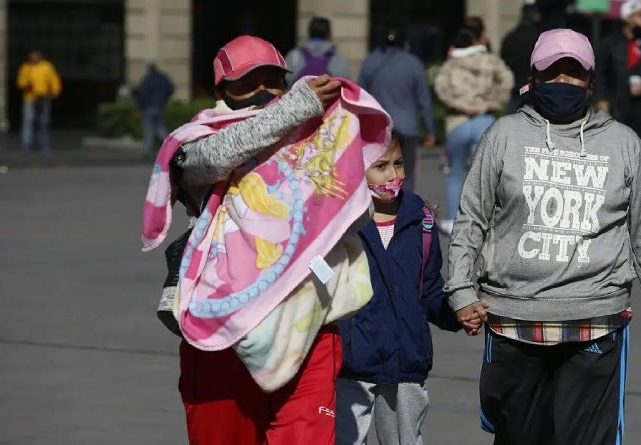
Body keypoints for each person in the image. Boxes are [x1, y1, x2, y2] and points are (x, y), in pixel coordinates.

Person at [445, 29, 641, 444]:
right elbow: (471, 219)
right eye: (553, 72)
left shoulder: (622, 144)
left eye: (574, 73)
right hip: (513, 322)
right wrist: (460, 290)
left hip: (595, 323)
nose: (564, 82)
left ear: (591, 82)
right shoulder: (504, 136)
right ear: (534, 77)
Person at [165, 35, 368, 445]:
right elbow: (213, 158)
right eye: (247, 82)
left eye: (272, 80)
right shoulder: (194, 139)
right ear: (221, 91)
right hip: (223, 328)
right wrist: (294, 108)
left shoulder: (318, 135)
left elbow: (353, 207)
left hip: (306, 322)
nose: (262, 92)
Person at [335, 130, 463, 445]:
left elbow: (429, 287)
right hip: (354, 364)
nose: (394, 174)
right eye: (382, 166)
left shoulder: (421, 218)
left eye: (399, 164)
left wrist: (456, 312)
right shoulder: (340, 223)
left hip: (407, 361)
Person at [434, 27, 513, 235]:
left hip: (458, 119)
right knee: (484, 175)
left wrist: (458, 104)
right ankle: (484, 220)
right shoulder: (489, 60)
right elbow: (507, 80)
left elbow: (440, 88)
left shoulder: (451, 64)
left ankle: (452, 220)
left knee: (455, 173)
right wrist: (495, 101)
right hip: (484, 118)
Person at [358, 27, 436, 192]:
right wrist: (430, 130)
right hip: (407, 127)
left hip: (378, 127)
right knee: (406, 172)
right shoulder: (414, 64)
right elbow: (424, 100)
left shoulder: (370, 62)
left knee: (377, 170)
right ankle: (405, 209)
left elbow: (359, 96)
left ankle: (380, 210)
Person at [596, 0, 641, 144]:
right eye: (638, 15)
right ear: (627, 18)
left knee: (637, 148)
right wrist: (601, 100)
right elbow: (600, 73)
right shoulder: (610, 44)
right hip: (616, 105)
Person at [16, 50, 61, 151]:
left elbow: (53, 79)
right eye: (32, 56)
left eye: (36, 56)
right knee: (28, 120)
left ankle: (43, 142)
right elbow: (20, 81)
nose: (34, 58)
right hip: (30, 97)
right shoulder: (25, 67)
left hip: (44, 97)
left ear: (40, 56)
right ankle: (26, 142)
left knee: (44, 121)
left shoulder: (47, 66)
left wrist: (55, 90)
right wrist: (26, 84)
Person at [501, 3, 542, 113]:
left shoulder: (510, 37)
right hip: (532, 87)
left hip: (515, 88)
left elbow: (503, 61)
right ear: (536, 16)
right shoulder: (540, 39)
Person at [286, 16, 351, 83]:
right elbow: (344, 83)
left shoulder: (294, 55)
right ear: (328, 34)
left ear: (310, 33)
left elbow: (287, 80)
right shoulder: (337, 58)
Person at [137, 60, 174, 158]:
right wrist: (164, 99)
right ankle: (171, 146)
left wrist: (140, 107)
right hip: (159, 106)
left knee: (148, 129)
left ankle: (147, 151)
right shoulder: (162, 78)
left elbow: (143, 95)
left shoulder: (147, 79)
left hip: (149, 107)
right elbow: (170, 88)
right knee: (160, 128)